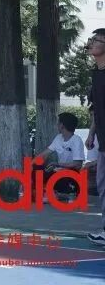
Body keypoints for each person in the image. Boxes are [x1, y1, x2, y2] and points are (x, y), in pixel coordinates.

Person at [32, 112, 85, 200]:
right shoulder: (58, 138)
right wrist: (30, 165)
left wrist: (58, 164)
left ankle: (57, 193)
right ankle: (44, 192)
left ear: (62, 125)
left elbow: (78, 164)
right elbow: (44, 154)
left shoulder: (76, 140)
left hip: (71, 173)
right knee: (36, 169)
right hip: (58, 171)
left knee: (60, 180)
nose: (56, 125)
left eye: (58, 123)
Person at [86, 28, 105, 246]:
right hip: (102, 140)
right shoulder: (96, 74)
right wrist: (91, 133)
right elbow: (96, 109)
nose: (91, 43)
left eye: (96, 40)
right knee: (102, 185)